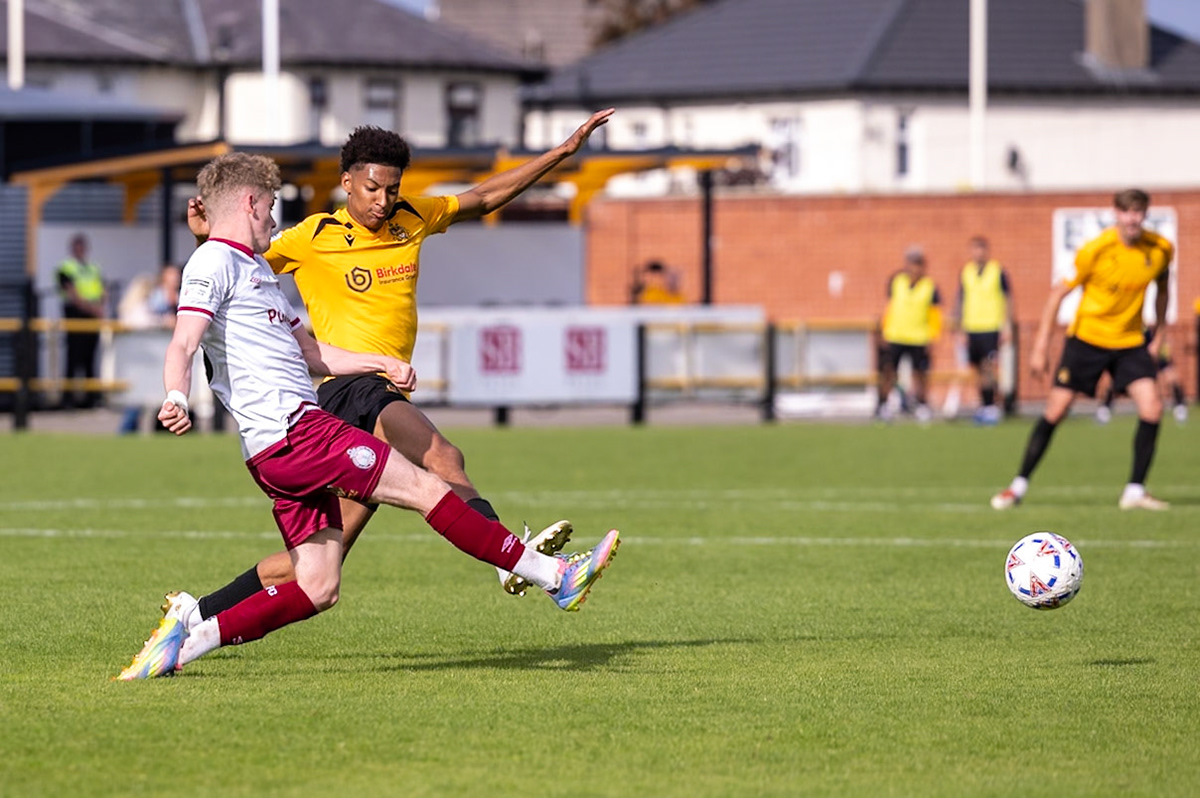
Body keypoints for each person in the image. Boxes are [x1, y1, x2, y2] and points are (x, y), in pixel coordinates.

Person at [116, 153, 620, 680]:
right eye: (269, 207)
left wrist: (380, 361)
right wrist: (175, 395)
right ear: (248, 203)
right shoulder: (214, 262)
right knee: (429, 486)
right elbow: (184, 340)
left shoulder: (256, 271)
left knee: (318, 586)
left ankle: (183, 642)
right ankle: (555, 576)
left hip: (278, 449)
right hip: (298, 433)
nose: (274, 219)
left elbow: (311, 354)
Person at [991, 188, 1173, 511]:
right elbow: (1056, 294)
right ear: (1116, 214)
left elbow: (1162, 289)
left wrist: (1158, 332)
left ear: (1145, 215)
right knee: (1056, 410)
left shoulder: (1159, 250)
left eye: (1139, 212)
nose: (1133, 218)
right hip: (1087, 340)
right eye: (1127, 212)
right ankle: (1018, 486)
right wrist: (1041, 346)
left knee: (1152, 407)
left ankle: (1134, 491)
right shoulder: (1095, 250)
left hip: (1130, 342)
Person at [951, 236, 1014, 425]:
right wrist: (959, 328)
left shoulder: (997, 271)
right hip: (972, 326)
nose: (978, 253)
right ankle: (983, 404)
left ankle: (991, 405)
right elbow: (960, 301)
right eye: (974, 249)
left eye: (981, 249)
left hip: (991, 326)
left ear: (986, 251)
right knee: (977, 368)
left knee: (989, 366)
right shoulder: (966, 272)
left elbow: (1008, 299)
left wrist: (1007, 325)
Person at [875, 246, 941, 422]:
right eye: (911, 263)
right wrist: (883, 331)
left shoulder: (929, 286)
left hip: (919, 336)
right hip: (895, 334)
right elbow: (889, 308)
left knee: (920, 374)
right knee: (889, 372)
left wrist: (932, 336)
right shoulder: (897, 281)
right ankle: (883, 405)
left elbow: (935, 315)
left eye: (918, 264)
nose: (914, 268)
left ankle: (922, 404)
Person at [117, 264, 183, 434]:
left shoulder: (177, 296)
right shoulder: (150, 302)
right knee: (137, 396)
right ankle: (127, 430)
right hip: (144, 358)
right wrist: (163, 322)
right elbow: (142, 320)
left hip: (156, 357)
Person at [57, 233, 107, 408]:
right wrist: (93, 309)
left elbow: (101, 289)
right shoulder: (66, 267)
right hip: (76, 315)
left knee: (90, 358)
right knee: (73, 358)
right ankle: (68, 398)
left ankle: (90, 398)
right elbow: (71, 294)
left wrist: (100, 308)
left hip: (91, 317)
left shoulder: (93, 267)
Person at [1096, 332, 1187, 424]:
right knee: (1115, 376)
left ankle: (1180, 406)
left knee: (1168, 372)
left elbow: (1160, 326)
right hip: (1133, 342)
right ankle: (1105, 408)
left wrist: (1159, 341)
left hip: (1151, 340)